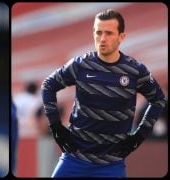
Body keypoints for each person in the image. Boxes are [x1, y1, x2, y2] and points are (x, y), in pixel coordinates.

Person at [41, 9, 166, 177]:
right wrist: (55, 126)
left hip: (111, 165)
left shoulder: (135, 71)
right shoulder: (80, 65)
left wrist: (139, 137)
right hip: (74, 159)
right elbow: (48, 85)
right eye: (98, 32)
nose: (102, 38)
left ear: (122, 37)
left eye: (109, 33)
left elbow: (158, 99)